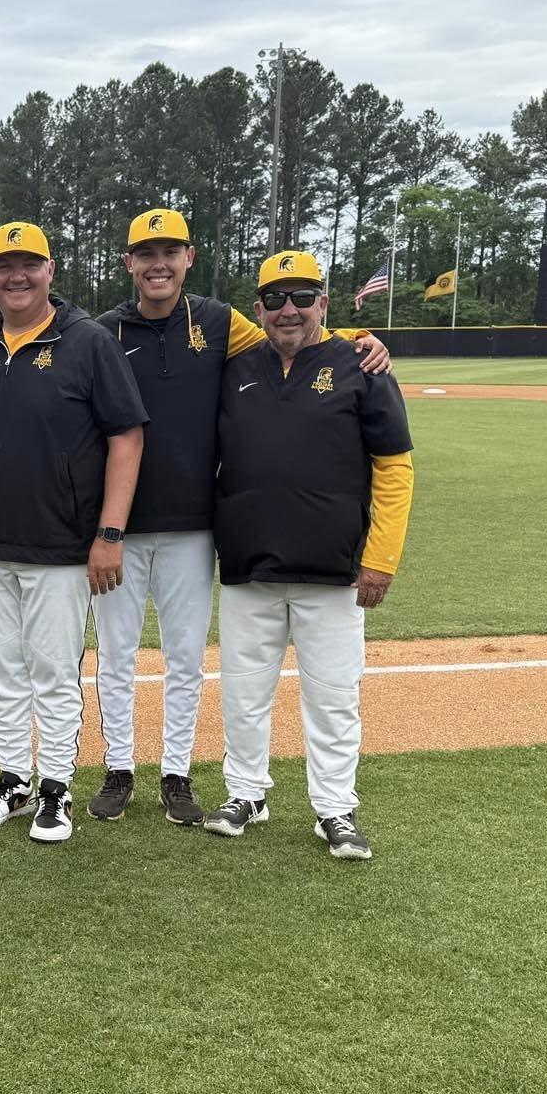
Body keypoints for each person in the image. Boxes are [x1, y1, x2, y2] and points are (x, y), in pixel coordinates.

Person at [77, 210, 389, 825]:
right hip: (118, 527)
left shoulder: (220, 322)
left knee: (185, 660)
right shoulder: (102, 330)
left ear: (189, 257)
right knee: (114, 656)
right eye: (146, 253)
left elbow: (297, 332)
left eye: (170, 252)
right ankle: (118, 768)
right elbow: (51, 337)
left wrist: (360, 339)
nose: (159, 264)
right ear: (129, 263)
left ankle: (176, 773)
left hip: (194, 525)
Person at [206, 250, 414, 860]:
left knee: (333, 696)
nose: (288, 310)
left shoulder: (361, 365)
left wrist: (381, 558)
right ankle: (247, 793)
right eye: (275, 299)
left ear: (323, 301)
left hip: (334, 570)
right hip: (249, 566)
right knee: (243, 693)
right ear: (259, 308)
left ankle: (335, 809)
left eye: (302, 297)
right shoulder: (236, 367)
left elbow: (394, 468)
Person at [0, 222, 146, 845]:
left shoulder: (88, 341)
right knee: (2, 668)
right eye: (4, 265)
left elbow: (127, 437)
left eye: (29, 264)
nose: (17, 276)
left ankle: (55, 788)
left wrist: (110, 533)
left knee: (55, 670)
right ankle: (14, 779)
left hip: (62, 543)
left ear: (50, 270)